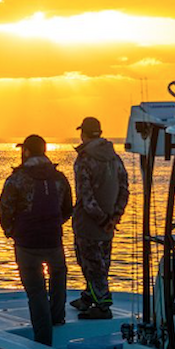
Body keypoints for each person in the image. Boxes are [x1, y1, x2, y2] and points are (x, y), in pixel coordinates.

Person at [0, 134, 73, 345]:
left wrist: (11, 231)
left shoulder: (17, 179)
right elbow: (68, 209)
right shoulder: (59, 178)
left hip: (26, 243)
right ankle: (57, 318)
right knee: (58, 278)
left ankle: (43, 340)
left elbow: (5, 209)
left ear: (27, 152)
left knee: (36, 291)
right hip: (53, 240)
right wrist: (54, 226)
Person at [69, 116, 130, 319]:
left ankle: (103, 305)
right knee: (101, 262)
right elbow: (124, 189)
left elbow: (85, 197)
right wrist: (115, 217)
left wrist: (104, 220)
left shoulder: (84, 159)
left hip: (89, 225)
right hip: (108, 226)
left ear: (83, 133)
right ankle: (88, 297)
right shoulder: (115, 158)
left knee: (91, 265)